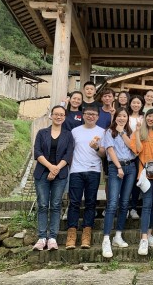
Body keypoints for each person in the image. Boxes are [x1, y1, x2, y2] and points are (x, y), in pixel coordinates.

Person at [32, 105, 74, 251]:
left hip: (60, 173)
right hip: (42, 172)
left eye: (61, 114)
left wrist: (56, 169)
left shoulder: (68, 135)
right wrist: (51, 167)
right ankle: (42, 237)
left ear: (65, 117)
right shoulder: (42, 133)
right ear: (51, 115)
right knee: (43, 204)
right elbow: (37, 152)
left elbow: (68, 155)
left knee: (56, 205)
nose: (58, 117)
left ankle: (53, 238)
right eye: (56, 114)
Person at [65, 106, 106, 250]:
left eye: (94, 114)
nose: (91, 116)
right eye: (88, 114)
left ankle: (86, 234)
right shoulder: (75, 131)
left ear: (98, 117)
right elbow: (69, 150)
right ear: (83, 115)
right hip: (76, 171)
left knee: (90, 203)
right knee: (74, 203)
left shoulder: (102, 132)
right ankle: (71, 234)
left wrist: (96, 147)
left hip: (94, 171)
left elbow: (104, 154)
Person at [130, 108, 153, 255]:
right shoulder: (139, 133)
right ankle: (143, 238)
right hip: (145, 173)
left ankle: (149, 233)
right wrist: (138, 131)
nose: (151, 119)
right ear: (145, 117)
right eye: (149, 116)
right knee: (146, 205)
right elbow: (137, 150)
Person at [100, 108, 137, 258]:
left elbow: (134, 148)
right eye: (119, 116)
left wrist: (123, 133)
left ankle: (118, 236)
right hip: (116, 168)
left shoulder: (129, 132)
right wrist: (119, 167)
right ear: (115, 117)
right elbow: (110, 150)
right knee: (113, 203)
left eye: (124, 116)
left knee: (124, 203)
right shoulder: (109, 132)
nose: (122, 118)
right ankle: (106, 239)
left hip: (131, 167)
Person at [128, 95, 144, 219]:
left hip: (140, 152)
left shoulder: (144, 118)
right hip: (126, 152)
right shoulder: (126, 117)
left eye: (138, 103)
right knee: (127, 181)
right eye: (134, 102)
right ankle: (125, 207)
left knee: (137, 181)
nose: (136, 105)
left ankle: (133, 207)